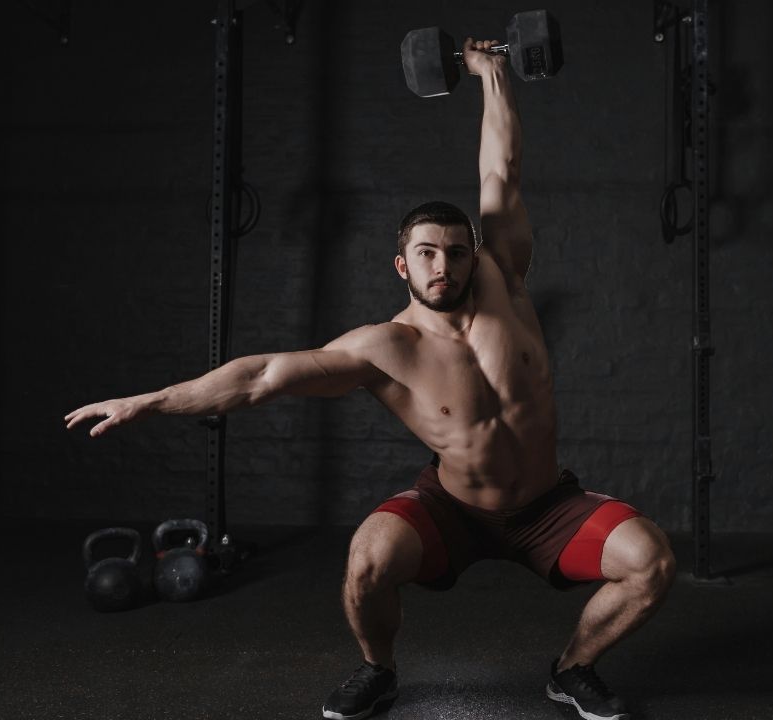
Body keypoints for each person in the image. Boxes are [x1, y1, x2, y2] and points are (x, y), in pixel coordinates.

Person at [64, 37, 675, 720]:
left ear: (475, 257)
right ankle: (377, 669)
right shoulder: (385, 347)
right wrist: (150, 402)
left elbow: (500, 169)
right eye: (425, 255)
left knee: (650, 559)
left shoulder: (506, 279)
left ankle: (572, 669)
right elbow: (263, 374)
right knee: (366, 561)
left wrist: (493, 73)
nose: (442, 265)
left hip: (546, 508)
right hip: (453, 510)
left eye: (454, 252)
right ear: (401, 267)